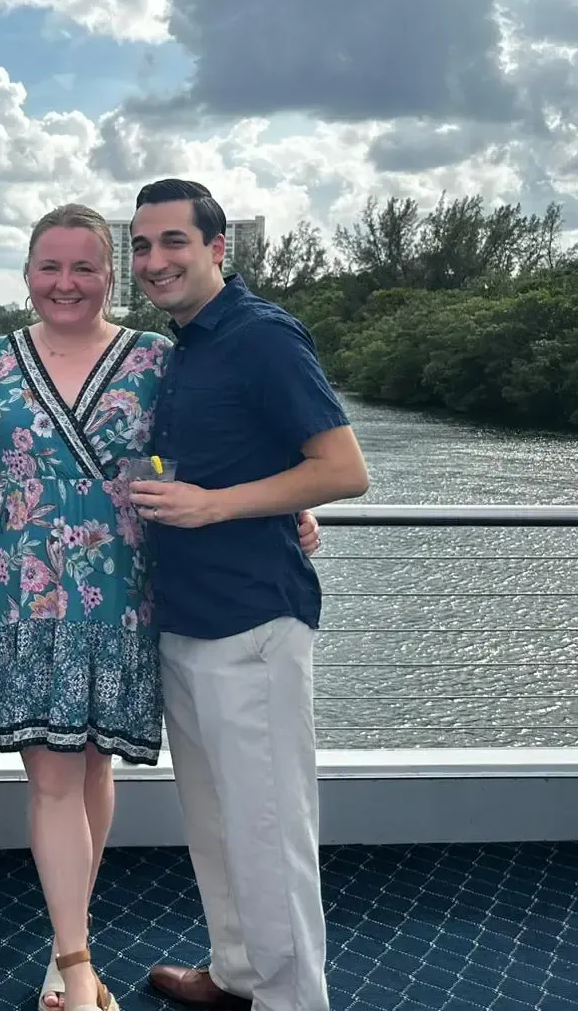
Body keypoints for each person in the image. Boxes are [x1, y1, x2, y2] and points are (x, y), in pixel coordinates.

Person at [0, 205, 323, 1011]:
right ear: (26, 273)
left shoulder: (157, 359)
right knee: (51, 776)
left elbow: (223, 441)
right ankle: (77, 964)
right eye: (49, 267)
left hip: (122, 595)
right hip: (15, 598)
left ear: (109, 277)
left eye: (84, 267)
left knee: (92, 770)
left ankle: (63, 944)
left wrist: (293, 500)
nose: (66, 283)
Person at [126, 179, 370, 1011]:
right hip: (187, 618)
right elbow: (270, 460)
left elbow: (344, 468)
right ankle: (236, 972)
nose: (155, 261)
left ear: (217, 248)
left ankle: (293, 999)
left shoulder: (263, 335)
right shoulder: (185, 344)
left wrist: (217, 505)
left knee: (269, 831)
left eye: (172, 243)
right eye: (142, 245)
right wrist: (272, 500)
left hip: (254, 620)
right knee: (215, 820)